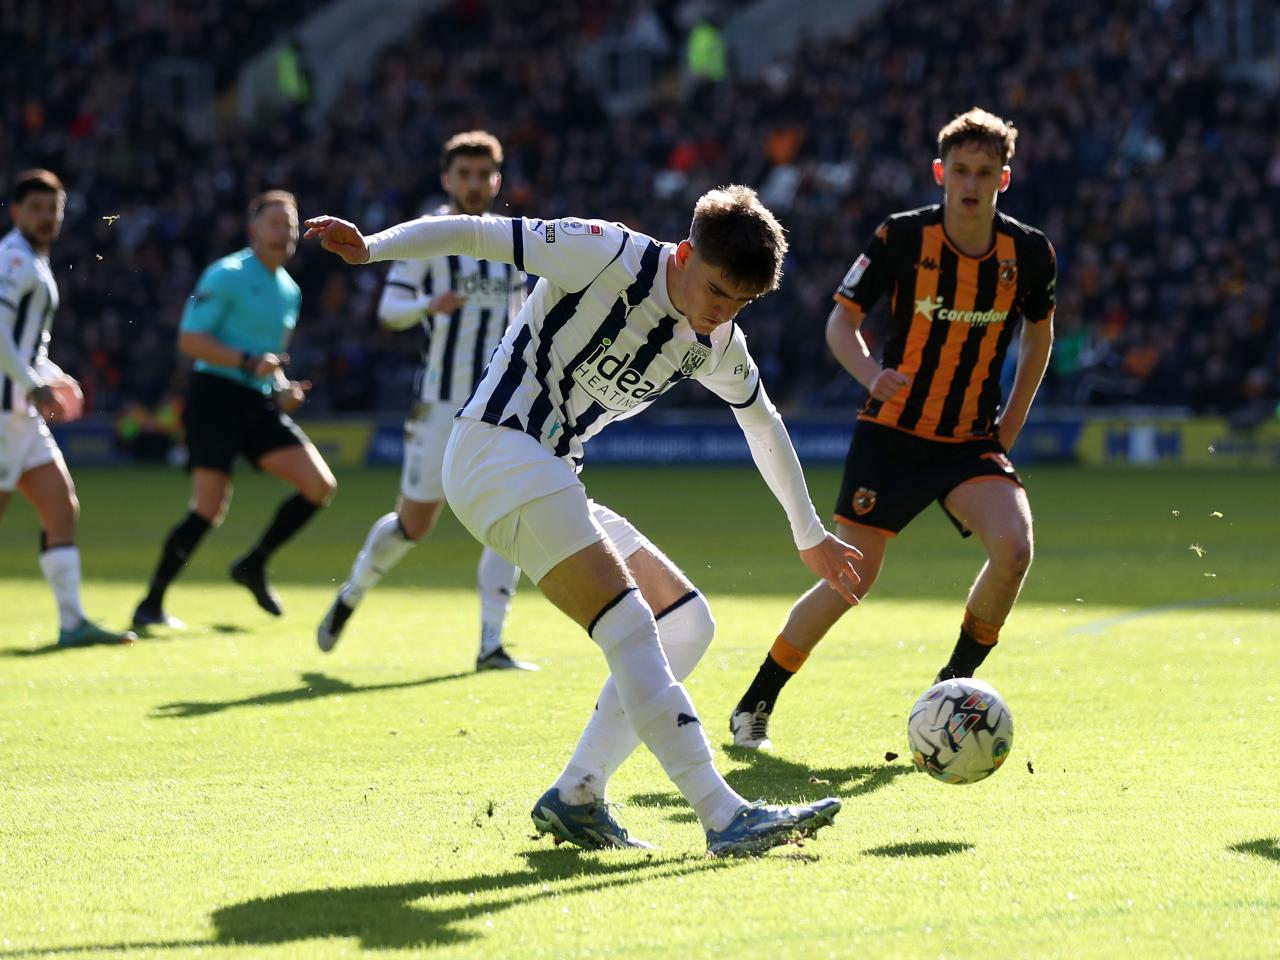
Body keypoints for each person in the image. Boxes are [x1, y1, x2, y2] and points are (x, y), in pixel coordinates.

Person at [305, 184, 860, 856]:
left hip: (548, 472)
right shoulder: (601, 252)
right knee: (628, 623)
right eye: (718, 292)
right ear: (684, 255)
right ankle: (722, 814)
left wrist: (808, 535)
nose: (722, 315)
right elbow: (478, 234)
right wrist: (372, 248)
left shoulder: (715, 340)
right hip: (495, 448)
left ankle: (578, 794)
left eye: (740, 304)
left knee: (687, 623)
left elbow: (762, 424)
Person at [728, 107, 1057, 749]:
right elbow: (838, 323)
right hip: (893, 436)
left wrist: (1009, 424)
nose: (970, 183)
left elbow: (1041, 336)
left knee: (1015, 550)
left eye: (984, 172)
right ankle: (755, 704)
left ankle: (950, 689)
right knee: (850, 580)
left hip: (968, 441)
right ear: (940, 172)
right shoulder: (903, 237)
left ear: (1004, 179)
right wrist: (871, 373)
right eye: (960, 170)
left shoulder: (1030, 253)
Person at [317, 131, 533, 671]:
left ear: (497, 180)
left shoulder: (515, 243)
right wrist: (429, 305)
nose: (476, 184)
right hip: (440, 403)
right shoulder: (430, 237)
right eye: (465, 175)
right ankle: (352, 593)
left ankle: (491, 643)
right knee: (415, 524)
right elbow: (390, 310)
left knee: (513, 518)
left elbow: (525, 317)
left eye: (484, 175)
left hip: (501, 407)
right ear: (447, 180)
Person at [133, 190, 336, 629]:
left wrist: (283, 390)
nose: (285, 232)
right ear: (253, 231)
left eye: (290, 223)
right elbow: (190, 340)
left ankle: (254, 563)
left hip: (255, 400)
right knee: (208, 507)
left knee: (319, 485)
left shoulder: (290, 291)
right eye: (275, 223)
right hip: (215, 396)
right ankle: (150, 604)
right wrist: (247, 362)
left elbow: (272, 362)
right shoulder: (226, 274)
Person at [0, 169, 136, 647]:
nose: (45, 217)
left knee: (60, 507)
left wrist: (53, 377)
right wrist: (35, 385)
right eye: (35, 208)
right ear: (16, 213)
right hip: (3, 413)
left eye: (52, 209)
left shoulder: (33, 262)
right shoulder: (14, 260)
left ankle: (72, 622)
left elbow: (23, 343)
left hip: (20, 412)